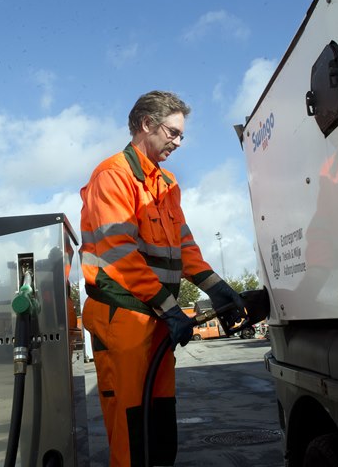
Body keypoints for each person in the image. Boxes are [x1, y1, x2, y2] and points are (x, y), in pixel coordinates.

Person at [80, 90, 246, 467]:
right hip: (124, 316)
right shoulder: (112, 176)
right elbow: (120, 253)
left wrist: (217, 288)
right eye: (172, 132)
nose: (178, 142)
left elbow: (184, 245)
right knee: (131, 427)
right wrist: (171, 309)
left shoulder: (166, 184)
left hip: (155, 319)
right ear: (146, 125)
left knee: (160, 424)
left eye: (181, 134)